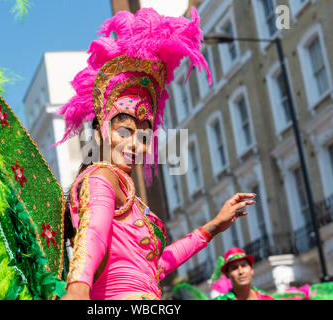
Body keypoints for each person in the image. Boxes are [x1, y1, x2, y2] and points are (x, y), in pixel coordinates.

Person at [57, 7, 256, 300]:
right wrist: (78, 289)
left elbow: (155, 267)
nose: (135, 144)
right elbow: (94, 231)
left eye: (143, 134)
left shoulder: (129, 195)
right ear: (101, 131)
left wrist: (213, 226)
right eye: (124, 132)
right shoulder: (102, 177)